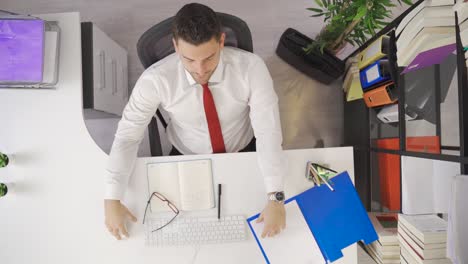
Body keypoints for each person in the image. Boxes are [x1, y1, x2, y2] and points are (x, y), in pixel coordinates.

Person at [104, 3, 287, 241]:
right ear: (175, 46)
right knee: (179, 231)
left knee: (250, 225)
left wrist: (276, 197)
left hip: (244, 147)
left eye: (209, 57)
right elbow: (127, 136)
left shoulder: (251, 68)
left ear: (222, 41)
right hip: (185, 153)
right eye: (189, 59)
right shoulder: (156, 79)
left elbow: (268, 130)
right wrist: (112, 198)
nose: (200, 70)